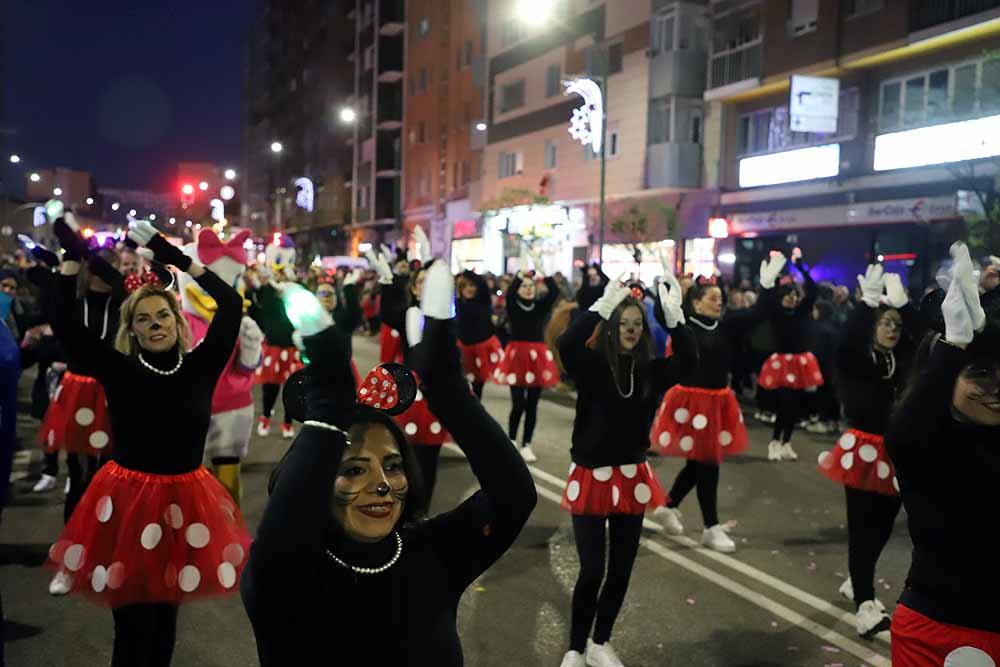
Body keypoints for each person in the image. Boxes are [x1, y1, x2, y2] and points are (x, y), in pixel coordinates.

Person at [241, 261, 537, 665]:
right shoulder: (287, 572)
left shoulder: (430, 551)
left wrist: (449, 392)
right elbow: (286, 521)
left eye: (393, 466)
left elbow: (514, 495)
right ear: (314, 482)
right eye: (352, 469)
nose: (382, 485)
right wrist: (329, 398)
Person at [43, 218, 250, 666]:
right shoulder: (119, 370)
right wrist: (71, 258)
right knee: (133, 629)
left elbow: (231, 304)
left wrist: (179, 260)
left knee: (164, 628)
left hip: (183, 506)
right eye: (143, 319)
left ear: (177, 322)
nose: (155, 324)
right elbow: (63, 322)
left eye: (162, 316)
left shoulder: (200, 366)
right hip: (129, 508)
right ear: (132, 330)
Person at [556, 274, 681, 667]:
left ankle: (600, 642)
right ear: (612, 327)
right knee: (592, 569)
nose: (630, 329)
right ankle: (576, 647)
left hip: (631, 476)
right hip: (593, 476)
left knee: (621, 570)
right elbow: (566, 343)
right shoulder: (592, 367)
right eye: (624, 323)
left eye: (637, 324)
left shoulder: (651, 371)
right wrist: (602, 307)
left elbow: (691, 361)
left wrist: (676, 319)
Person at [886, 243, 1000, 664]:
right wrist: (952, 348)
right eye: (981, 374)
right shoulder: (927, 446)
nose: (995, 388)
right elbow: (904, 432)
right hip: (940, 630)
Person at [816, 265, 913, 639]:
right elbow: (845, 344)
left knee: (884, 526)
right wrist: (865, 304)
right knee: (862, 527)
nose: (891, 329)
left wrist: (906, 309)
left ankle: (856, 581)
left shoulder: (901, 362)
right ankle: (865, 605)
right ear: (872, 327)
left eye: (896, 325)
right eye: (884, 323)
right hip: (861, 452)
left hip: (893, 454)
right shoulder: (856, 361)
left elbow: (919, 339)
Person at [650, 276, 761, 553]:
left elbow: (758, 315)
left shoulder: (725, 327)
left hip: (717, 403)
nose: (718, 302)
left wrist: (769, 289)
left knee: (700, 463)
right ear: (696, 302)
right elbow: (664, 317)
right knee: (707, 464)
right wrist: (664, 294)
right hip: (692, 405)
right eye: (712, 298)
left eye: (719, 298)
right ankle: (710, 527)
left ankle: (669, 505)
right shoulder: (686, 325)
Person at [756, 251, 824, 461]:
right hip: (782, 363)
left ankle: (787, 442)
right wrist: (769, 281)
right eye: (788, 295)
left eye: (795, 295)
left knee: (795, 406)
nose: (793, 298)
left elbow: (813, 290)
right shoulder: (775, 312)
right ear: (781, 297)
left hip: (800, 363)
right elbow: (765, 300)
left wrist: (802, 267)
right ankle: (775, 442)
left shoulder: (802, 311)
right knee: (785, 404)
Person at [495, 266, 561, 462]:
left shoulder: (540, 306)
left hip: (537, 358)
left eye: (530, 286)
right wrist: (521, 275)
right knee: (518, 403)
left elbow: (554, 293)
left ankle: (527, 444)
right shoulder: (513, 304)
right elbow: (511, 291)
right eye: (524, 286)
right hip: (517, 357)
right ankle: (512, 440)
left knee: (532, 404)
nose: (528, 289)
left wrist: (544, 274)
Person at [250, 267, 302, 439]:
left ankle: (287, 422)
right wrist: (260, 288)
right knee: (270, 386)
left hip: (292, 348)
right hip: (273, 347)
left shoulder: (295, 292)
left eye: (283, 273)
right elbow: (258, 312)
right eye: (277, 273)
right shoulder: (268, 293)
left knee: (292, 388)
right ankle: (265, 417)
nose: (280, 277)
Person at [456, 269, 503, 400]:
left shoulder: (483, 302)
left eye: (471, 285)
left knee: (477, 389)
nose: (469, 289)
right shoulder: (457, 304)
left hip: (481, 349)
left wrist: (469, 274)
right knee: (462, 389)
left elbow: (482, 285)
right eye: (465, 286)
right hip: (464, 350)